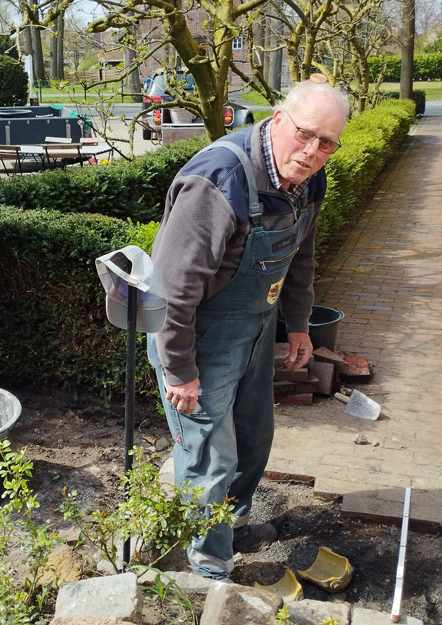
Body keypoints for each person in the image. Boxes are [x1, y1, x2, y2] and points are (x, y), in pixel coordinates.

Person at [147, 78, 349, 579]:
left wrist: (298, 325)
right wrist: (180, 370)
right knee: (210, 456)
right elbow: (174, 289)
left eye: (327, 142)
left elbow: (300, 257)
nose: (311, 151)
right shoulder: (218, 181)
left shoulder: (307, 181)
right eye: (304, 134)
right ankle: (208, 565)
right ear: (277, 119)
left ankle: (230, 526)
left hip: (256, 326)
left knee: (254, 437)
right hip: (198, 333)